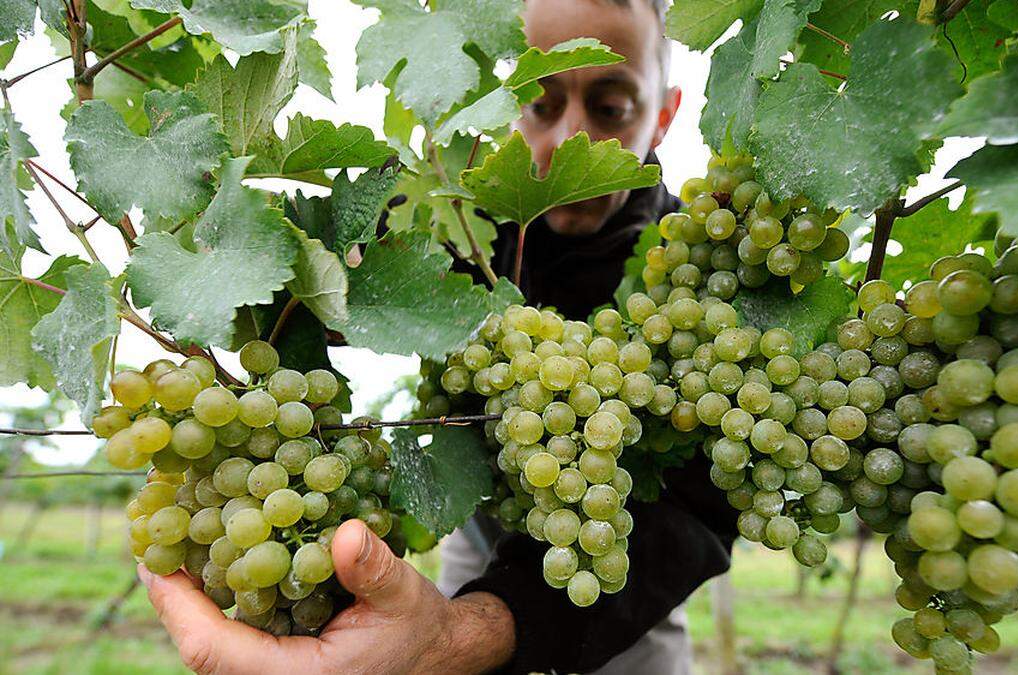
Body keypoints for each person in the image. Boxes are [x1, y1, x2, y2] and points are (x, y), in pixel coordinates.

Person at [140, 1, 739, 673]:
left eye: (611, 107)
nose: (572, 137)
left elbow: (697, 510)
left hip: (622, 581)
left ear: (663, 114)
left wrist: (470, 631)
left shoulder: (697, 277)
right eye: (539, 104)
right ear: (495, 107)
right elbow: (326, 295)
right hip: (482, 537)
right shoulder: (444, 220)